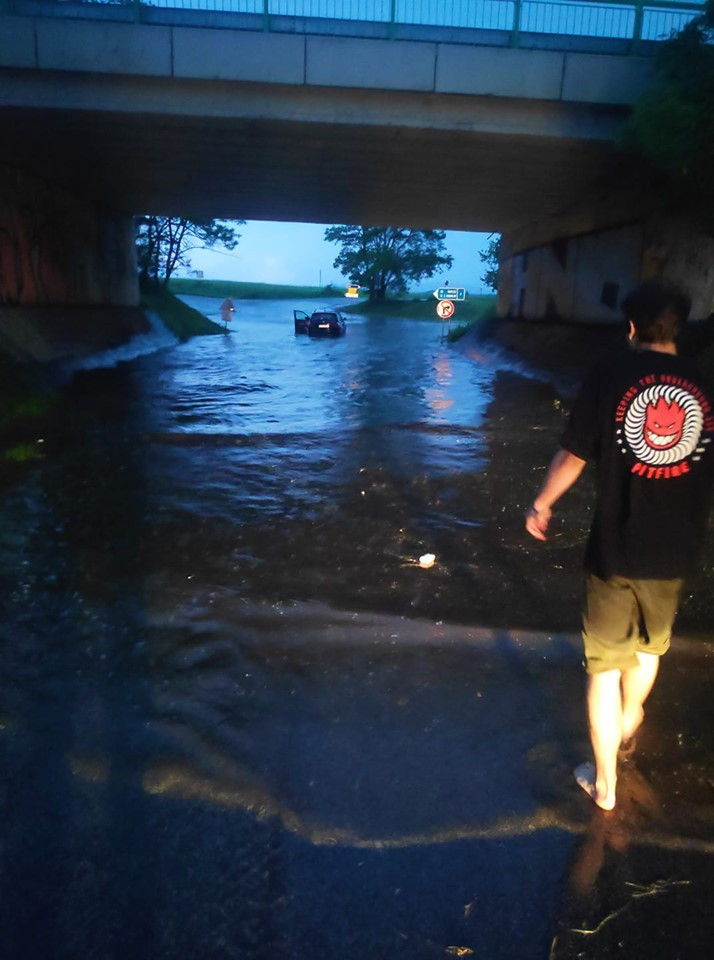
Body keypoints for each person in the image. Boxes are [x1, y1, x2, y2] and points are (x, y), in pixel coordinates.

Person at [525, 279, 714, 811]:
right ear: (678, 327)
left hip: (616, 548)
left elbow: (573, 455)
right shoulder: (704, 383)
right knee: (651, 646)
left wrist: (542, 503)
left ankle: (605, 784)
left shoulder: (611, 374)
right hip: (677, 551)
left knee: (605, 667)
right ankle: (633, 718)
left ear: (631, 328)